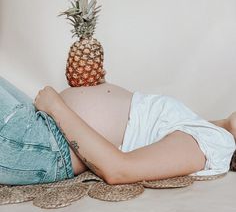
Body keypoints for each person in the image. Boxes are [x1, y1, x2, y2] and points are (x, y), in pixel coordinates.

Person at [0, 75, 235, 186]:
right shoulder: (205, 128)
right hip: (37, 124)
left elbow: (120, 170)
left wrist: (57, 107)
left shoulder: (215, 144)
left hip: (39, 144)